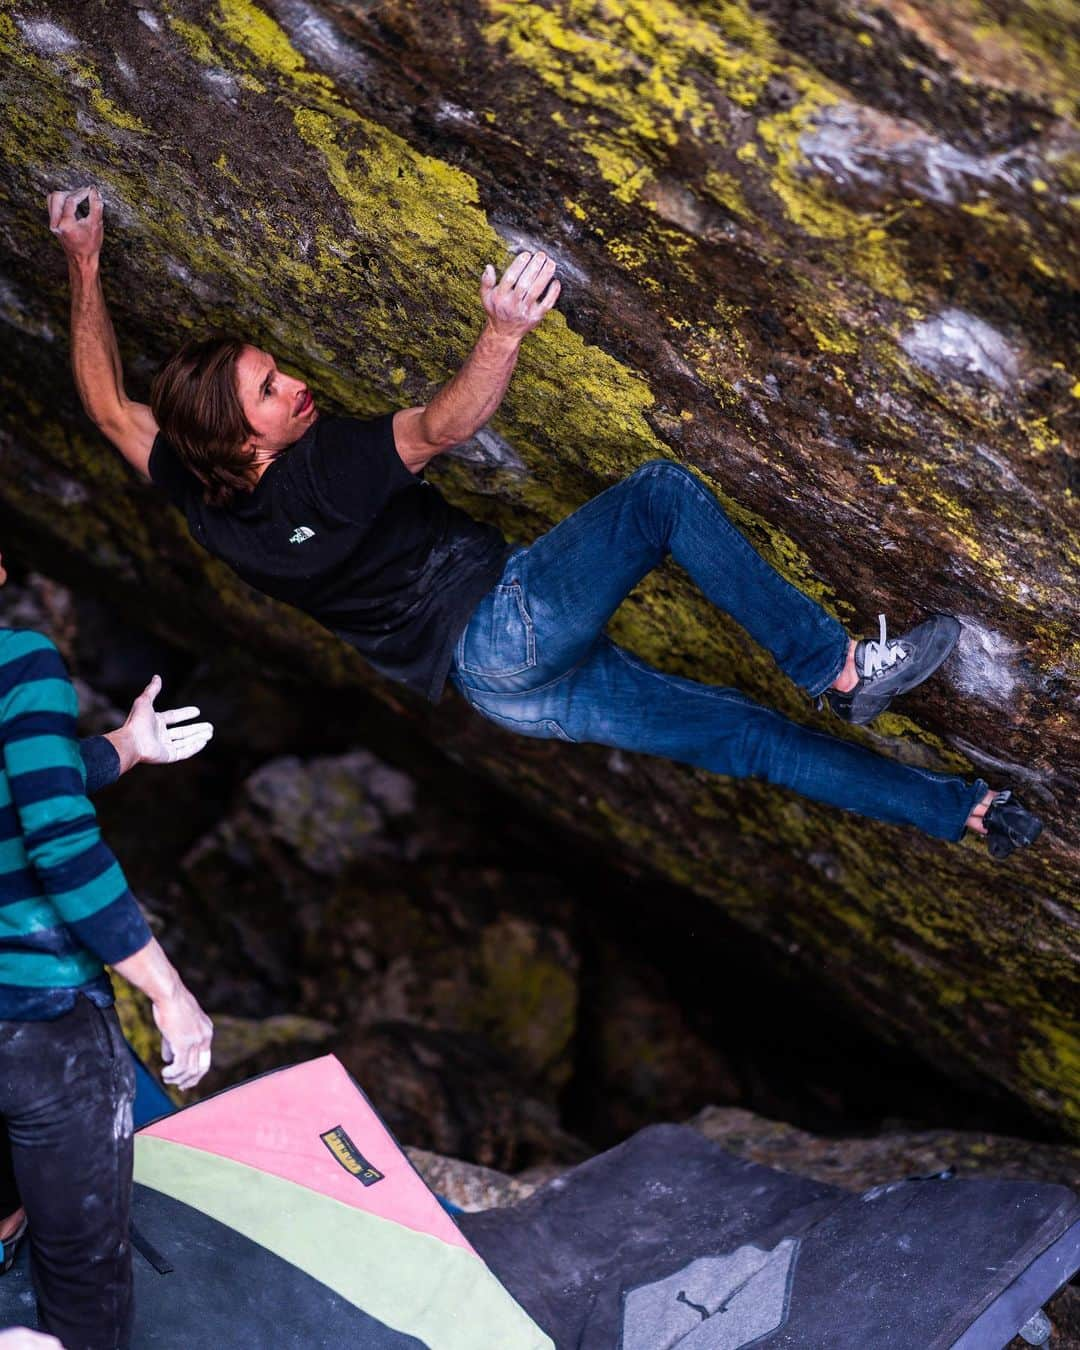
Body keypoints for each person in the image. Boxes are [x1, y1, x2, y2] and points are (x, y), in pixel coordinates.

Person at [48, 186, 1041, 860]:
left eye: (279, 367)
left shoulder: (203, 485)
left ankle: (968, 815)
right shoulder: (325, 475)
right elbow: (446, 423)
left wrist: (83, 263)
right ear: (250, 443)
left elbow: (106, 406)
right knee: (659, 496)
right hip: (503, 627)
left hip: (503, 695)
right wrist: (503, 331)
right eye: (273, 388)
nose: (298, 384)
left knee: (745, 741)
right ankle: (840, 670)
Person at [0, 546, 214, 1350]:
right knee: (86, 1284)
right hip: (43, 1025)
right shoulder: (18, 660)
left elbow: (24, 778)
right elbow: (57, 840)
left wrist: (126, 746)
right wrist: (169, 993)